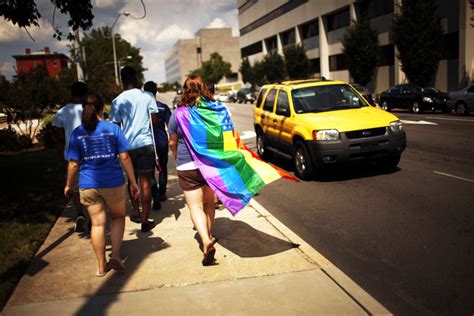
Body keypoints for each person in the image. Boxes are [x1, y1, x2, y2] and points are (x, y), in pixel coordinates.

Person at [65, 93, 140, 277]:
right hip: (113, 182)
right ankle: (115, 255)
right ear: (102, 109)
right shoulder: (112, 129)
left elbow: (74, 163)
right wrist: (133, 181)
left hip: (88, 183)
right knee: (117, 217)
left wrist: (68, 185)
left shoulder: (78, 133)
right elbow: (124, 157)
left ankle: (101, 266)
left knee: (97, 225)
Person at [169, 77, 218, 266]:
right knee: (209, 204)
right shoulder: (211, 111)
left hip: (186, 165)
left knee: (195, 206)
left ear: (184, 91)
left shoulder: (177, 114)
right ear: (204, 89)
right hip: (209, 164)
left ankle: (205, 240)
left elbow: (172, 142)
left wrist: (176, 156)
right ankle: (210, 234)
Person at [110, 66, 158, 232]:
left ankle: (136, 212)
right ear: (136, 79)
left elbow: (115, 126)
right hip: (146, 143)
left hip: (127, 146)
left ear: (122, 80)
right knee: (145, 181)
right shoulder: (147, 96)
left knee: (132, 180)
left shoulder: (117, 101)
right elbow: (154, 119)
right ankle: (145, 219)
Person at [53, 81, 89, 233]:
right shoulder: (90, 110)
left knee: (74, 188)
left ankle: (80, 214)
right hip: (90, 154)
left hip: (71, 155)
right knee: (90, 186)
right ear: (85, 94)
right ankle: (92, 214)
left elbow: (59, 138)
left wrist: (61, 157)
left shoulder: (61, 112)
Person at [143, 81, 172, 210]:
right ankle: (162, 193)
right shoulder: (163, 107)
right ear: (156, 92)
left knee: (149, 171)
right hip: (162, 142)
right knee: (163, 168)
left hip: (147, 142)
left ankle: (155, 194)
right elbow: (171, 126)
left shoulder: (142, 109)